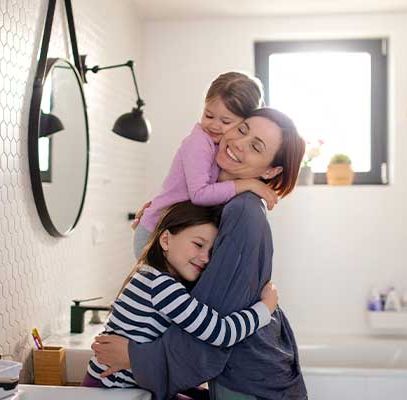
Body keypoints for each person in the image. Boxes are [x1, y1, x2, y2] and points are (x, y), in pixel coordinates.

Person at [94, 108, 308, 400]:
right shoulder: (221, 199)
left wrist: (137, 357)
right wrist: (158, 213)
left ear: (270, 171)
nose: (238, 143)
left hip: (251, 378)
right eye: (243, 129)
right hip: (244, 372)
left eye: (256, 146)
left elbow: (216, 318)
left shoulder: (243, 211)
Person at [83, 201, 279, 395]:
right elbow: (222, 333)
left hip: (118, 388)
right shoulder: (162, 287)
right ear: (165, 240)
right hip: (110, 390)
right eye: (198, 244)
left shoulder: (148, 275)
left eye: (212, 252)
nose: (206, 258)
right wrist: (265, 308)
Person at [132, 72, 279, 259]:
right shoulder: (199, 143)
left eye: (226, 121)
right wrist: (249, 184)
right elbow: (199, 194)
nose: (214, 126)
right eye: (208, 115)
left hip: (175, 233)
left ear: (244, 123)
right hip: (155, 233)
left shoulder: (221, 148)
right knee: (161, 288)